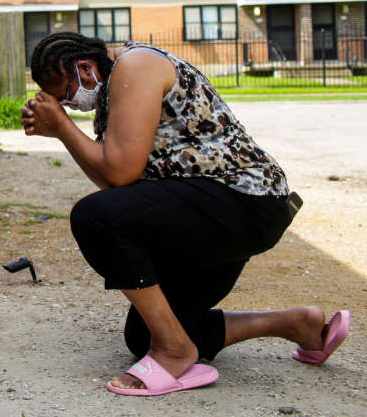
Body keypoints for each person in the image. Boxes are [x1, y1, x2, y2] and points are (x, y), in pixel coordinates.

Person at [21, 32, 350, 397]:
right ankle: (297, 324)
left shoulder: (135, 65)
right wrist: (63, 131)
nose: (69, 104)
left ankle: (174, 351)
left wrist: (64, 128)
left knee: (92, 217)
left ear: (85, 68)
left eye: (65, 93)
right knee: (143, 334)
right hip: (216, 210)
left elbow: (119, 173)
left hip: (243, 200)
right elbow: (116, 186)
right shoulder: (112, 94)